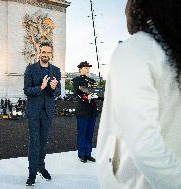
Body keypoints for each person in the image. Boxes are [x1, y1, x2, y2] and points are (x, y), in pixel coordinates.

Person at [97, 0, 181, 188]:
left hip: (137, 181)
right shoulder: (171, 50)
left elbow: (144, 146)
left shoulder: (135, 49)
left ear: (138, 9)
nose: (124, 10)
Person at [24, 42, 61, 186]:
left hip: (48, 112)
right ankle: (32, 173)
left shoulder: (56, 70)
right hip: (34, 112)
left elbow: (58, 91)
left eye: (48, 52)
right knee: (34, 142)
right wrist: (41, 87)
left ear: (51, 54)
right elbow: (27, 90)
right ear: (39, 53)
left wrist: (53, 88)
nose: (45, 54)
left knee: (43, 142)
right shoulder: (30, 69)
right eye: (43, 52)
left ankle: (41, 167)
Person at [72, 61, 98, 163]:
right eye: (86, 67)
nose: (87, 69)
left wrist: (98, 95)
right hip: (82, 110)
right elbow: (76, 93)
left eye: (88, 67)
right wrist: (87, 96)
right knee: (82, 133)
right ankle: (81, 154)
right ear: (80, 69)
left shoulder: (91, 80)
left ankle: (88, 154)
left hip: (92, 110)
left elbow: (96, 91)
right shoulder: (77, 80)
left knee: (90, 134)